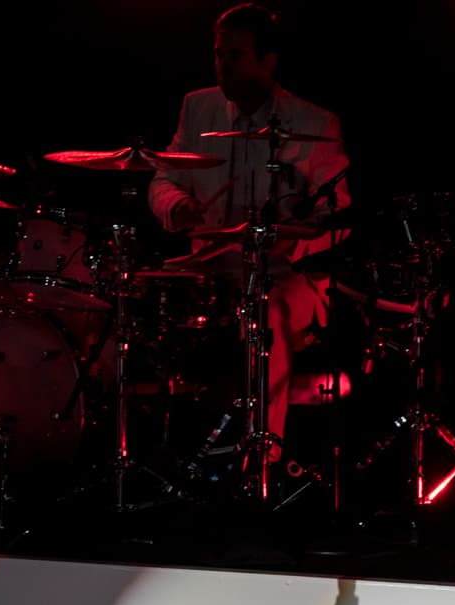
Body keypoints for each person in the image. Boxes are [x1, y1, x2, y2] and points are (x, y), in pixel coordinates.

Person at [148, 2, 351, 469]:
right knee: (126, 293)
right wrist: (174, 205)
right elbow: (163, 176)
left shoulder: (316, 124)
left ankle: (263, 461)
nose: (222, 66)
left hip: (285, 273)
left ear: (269, 60)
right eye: (219, 55)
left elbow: (338, 215)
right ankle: (150, 453)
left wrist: (294, 235)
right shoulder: (197, 107)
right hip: (208, 269)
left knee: (268, 316)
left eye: (235, 56)